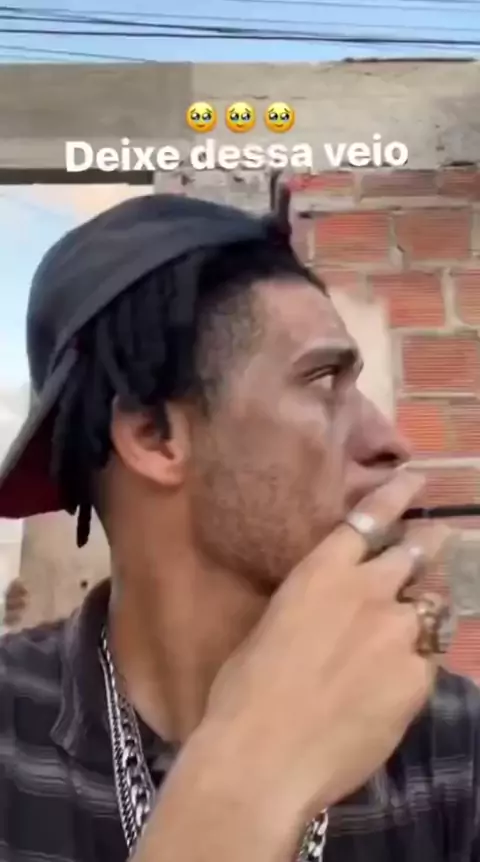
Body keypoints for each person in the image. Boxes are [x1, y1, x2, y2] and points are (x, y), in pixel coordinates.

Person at [0, 185, 477, 862]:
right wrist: (250, 786)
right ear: (155, 435)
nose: (389, 443)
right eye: (323, 379)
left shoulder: (454, 749)